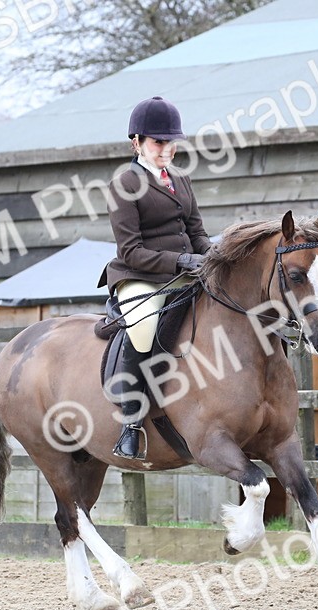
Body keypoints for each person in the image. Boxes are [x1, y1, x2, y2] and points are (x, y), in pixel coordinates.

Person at [98, 96, 212, 461]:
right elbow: (131, 250)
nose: (167, 149)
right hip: (139, 275)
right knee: (144, 325)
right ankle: (131, 423)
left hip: (185, 271)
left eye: (171, 142)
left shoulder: (181, 179)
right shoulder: (124, 183)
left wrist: (213, 257)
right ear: (137, 142)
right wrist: (181, 260)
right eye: (158, 142)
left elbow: (197, 232)